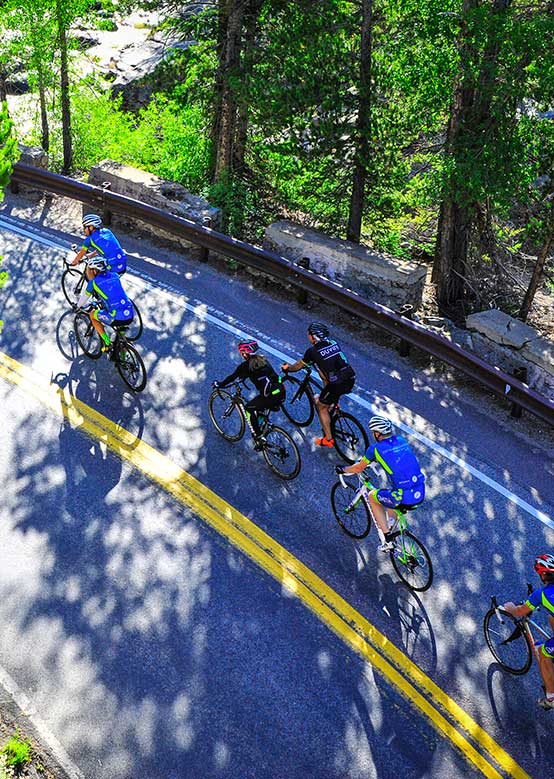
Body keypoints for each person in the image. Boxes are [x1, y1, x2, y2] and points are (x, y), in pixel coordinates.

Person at [335, 415, 425, 552]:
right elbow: (397, 459)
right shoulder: (401, 440)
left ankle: (387, 540)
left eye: (373, 432)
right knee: (389, 493)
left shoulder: (375, 449)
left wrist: (343, 469)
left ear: (377, 433)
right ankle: (391, 524)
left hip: (403, 497)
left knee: (372, 496)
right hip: (420, 491)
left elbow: (358, 468)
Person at [281, 322, 355, 447]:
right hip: (350, 377)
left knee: (321, 406)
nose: (308, 337)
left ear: (314, 336)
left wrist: (288, 369)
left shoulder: (312, 352)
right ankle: (333, 406)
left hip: (337, 383)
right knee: (329, 394)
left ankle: (328, 439)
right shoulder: (333, 343)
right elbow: (324, 373)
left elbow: (298, 366)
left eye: (309, 334)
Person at [502, 554, 554, 710]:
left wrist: (510, 607)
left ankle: (551, 698)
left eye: (540, 573)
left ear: (544, 574)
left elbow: (519, 611)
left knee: (542, 652)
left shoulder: (541, 595)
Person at [213, 341, 285, 449]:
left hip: (269, 396)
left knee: (248, 409)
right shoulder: (263, 359)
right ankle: (262, 428)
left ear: (245, 353)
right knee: (260, 408)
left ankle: (259, 437)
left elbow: (232, 377)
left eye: (241, 353)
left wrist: (220, 384)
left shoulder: (246, 366)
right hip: (280, 392)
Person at [77, 257, 134, 352]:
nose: (88, 272)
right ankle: (123, 355)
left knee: (92, 315)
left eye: (89, 270)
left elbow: (83, 299)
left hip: (116, 315)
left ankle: (107, 343)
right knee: (120, 337)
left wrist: (77, 306)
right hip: (130, 312)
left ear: (95, 270)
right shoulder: (115, 275)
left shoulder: (93, 282)